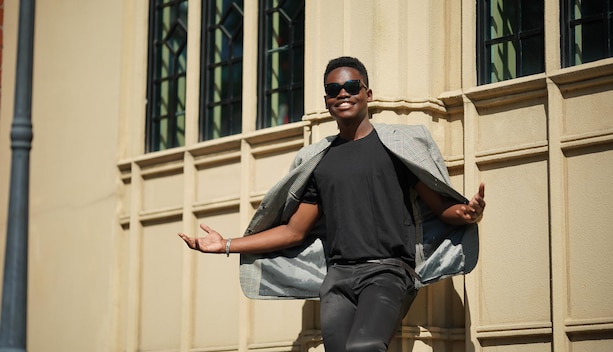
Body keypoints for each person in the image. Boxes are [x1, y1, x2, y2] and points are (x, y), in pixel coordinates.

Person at [178, 56, 486, 352]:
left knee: (364, 346)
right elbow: (293, 232)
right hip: (338, 277)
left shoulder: (397, 147)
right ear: (326, 101)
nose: (343, 94)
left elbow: (440, 207)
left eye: (352, 87)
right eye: (333, 90)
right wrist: (227, 244)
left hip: (388, 272)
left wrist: (467, 213)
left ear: (368, 93)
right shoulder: (319, 162)